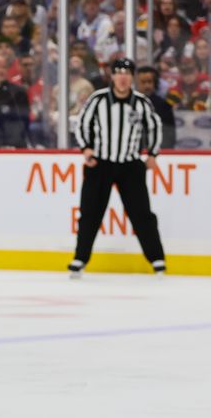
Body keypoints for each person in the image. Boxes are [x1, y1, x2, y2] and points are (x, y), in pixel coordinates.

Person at [70, 58, 166, 278]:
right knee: (90, 213)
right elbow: (82, 123)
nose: (122, 78)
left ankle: (156, 259)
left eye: (126, 73)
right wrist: (86, 148)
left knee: (141, 214)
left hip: (130, 164)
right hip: (101, 163)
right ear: (112, 76)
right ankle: (80, 258)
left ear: (132, 77)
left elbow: (154, 126)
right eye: (118, 73)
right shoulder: (98, 99)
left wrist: (152, 153)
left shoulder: (141, 102)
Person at [136, 65, 176, 149]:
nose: (147, 86)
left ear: (155, 83)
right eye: (143, 82)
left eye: (150, 82)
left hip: (159, 153)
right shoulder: (129, 104)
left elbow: (169, 134)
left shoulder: (164, 105)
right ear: (136, 83)